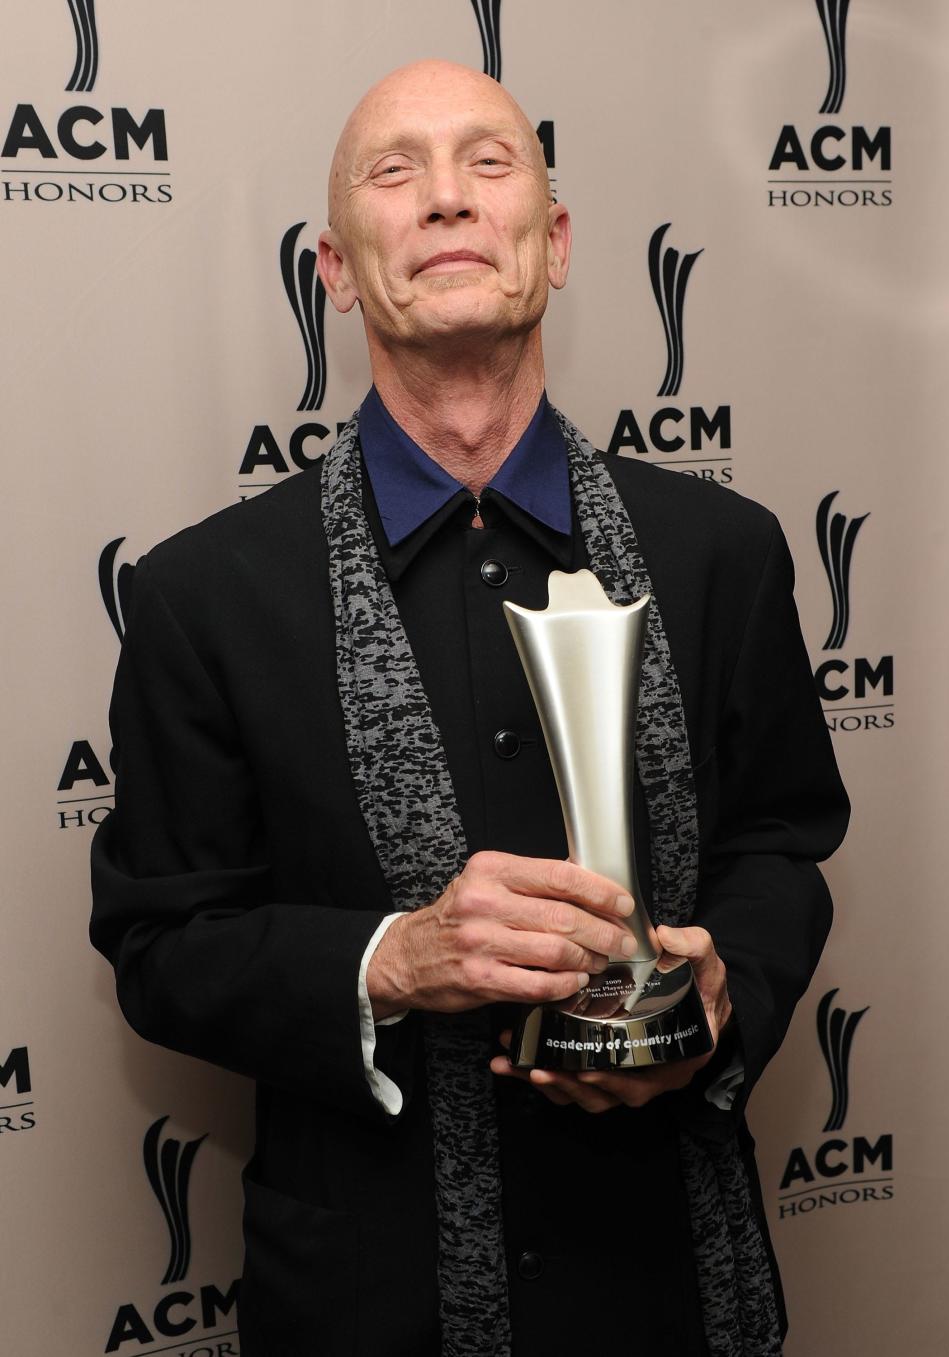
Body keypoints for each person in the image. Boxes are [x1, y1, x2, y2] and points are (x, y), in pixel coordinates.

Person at [90, 59, 849, 1357]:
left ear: (551, 247)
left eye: (489, 163)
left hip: (673, 1286)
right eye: (396, 172)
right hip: (367, 1306)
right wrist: (395, 957)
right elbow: (163, 947)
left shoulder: (723, 552)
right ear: (335, 270)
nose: (446, 199)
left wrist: (725, 997)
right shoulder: (199, 598)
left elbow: (781, 847)